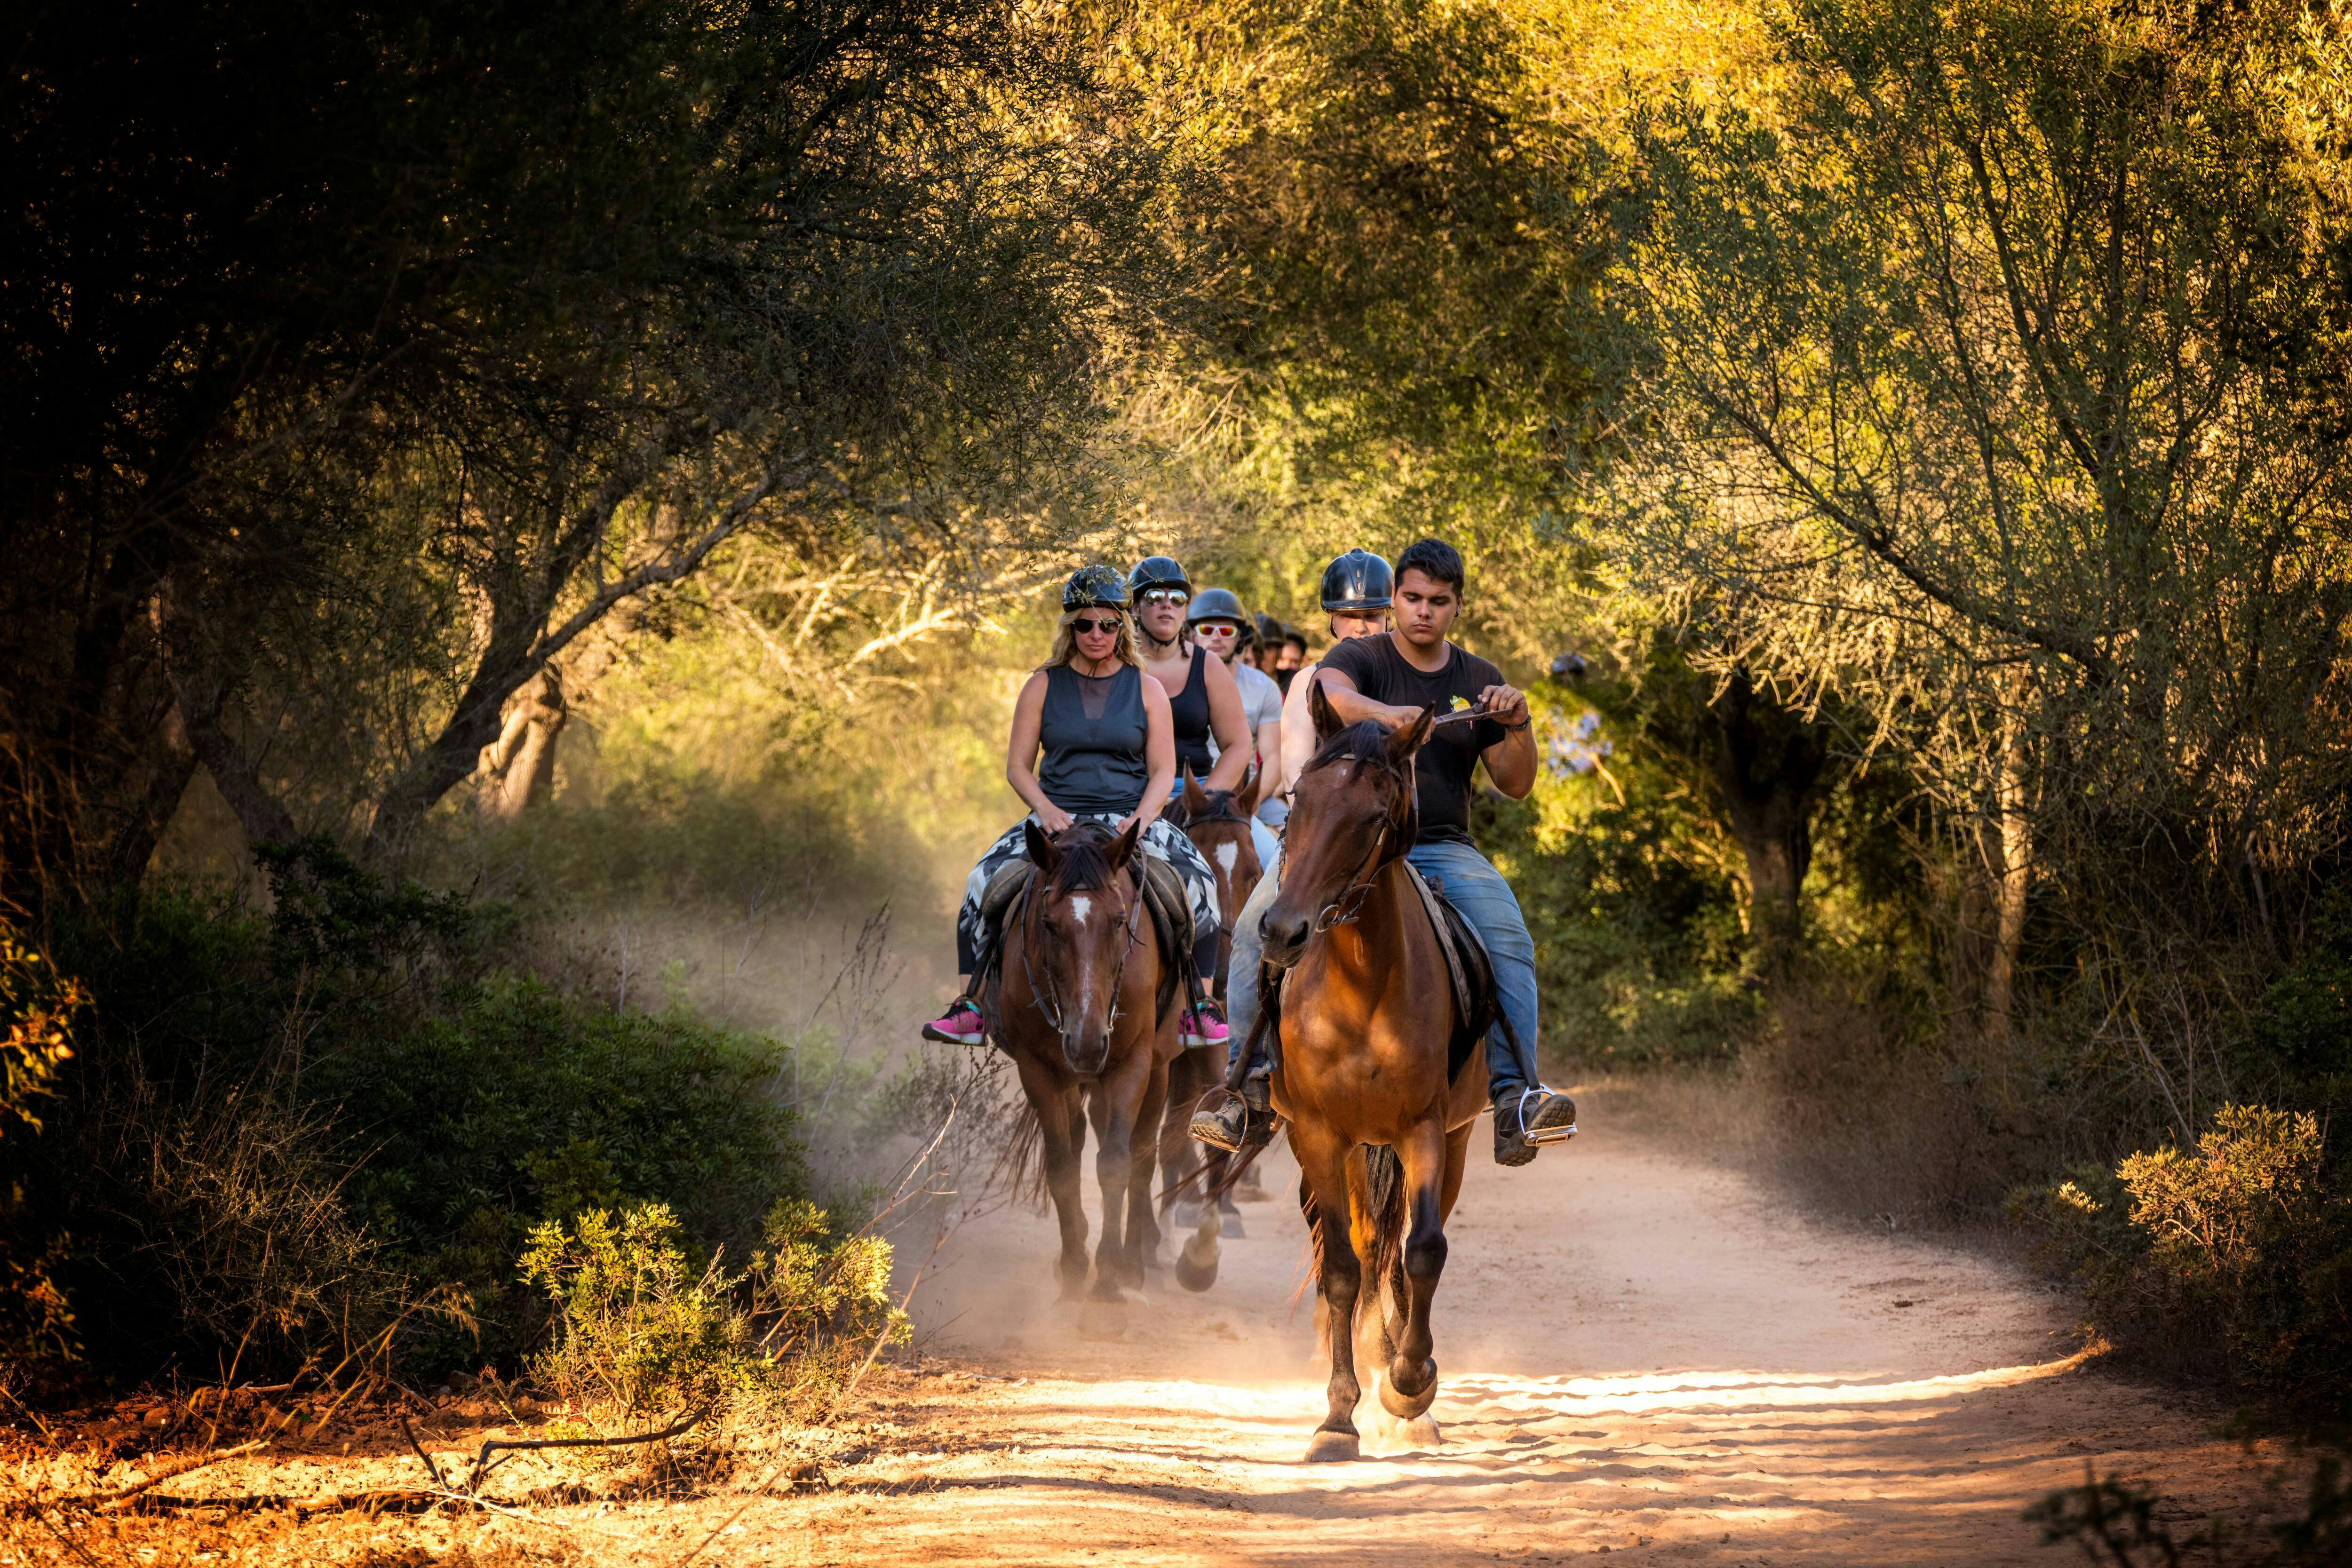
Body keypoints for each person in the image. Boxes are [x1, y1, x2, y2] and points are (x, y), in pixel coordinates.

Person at [1192, 540, 1578, 1166]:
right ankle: (1247, 1089)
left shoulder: (1478, 678)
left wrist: (1518, 724)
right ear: (1395, 598)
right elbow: (1334, 694)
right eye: (1413, 599)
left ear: (1457, 607)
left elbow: (1515, 782)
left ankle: (1516, 1096)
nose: (1424, 612)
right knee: (1253, 931)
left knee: (1510, 937)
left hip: (1442, 847)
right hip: (1342, 846)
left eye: (1439, 602)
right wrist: (1390, 715)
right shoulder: (1359, 655)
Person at [923, 566, 1227, 1049]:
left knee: (1202, 885)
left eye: (1107, 624)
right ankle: (970, 1006)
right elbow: (1018, 767)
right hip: (1057, 815)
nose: (1096, 634)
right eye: (1084, 624)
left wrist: (1142, 820)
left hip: (1127, 817)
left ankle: (1199, 1008)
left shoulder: (1146, 689)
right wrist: (1042, 808)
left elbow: (1161, 772)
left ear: (1122, 627)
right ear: (1069, 628)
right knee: (980, 882)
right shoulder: (1041, 686)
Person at [1185, 586, 1283, 873]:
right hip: (1191, 794)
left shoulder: (1263, 686)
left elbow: (1273, 759)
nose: (1217, 637)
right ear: (1191, 633)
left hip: (1248, 798)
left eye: (1227, 631)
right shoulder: (1172, 681)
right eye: (1207, 629)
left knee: (1284, 855)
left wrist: (1247, 806)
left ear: (1241, 636)